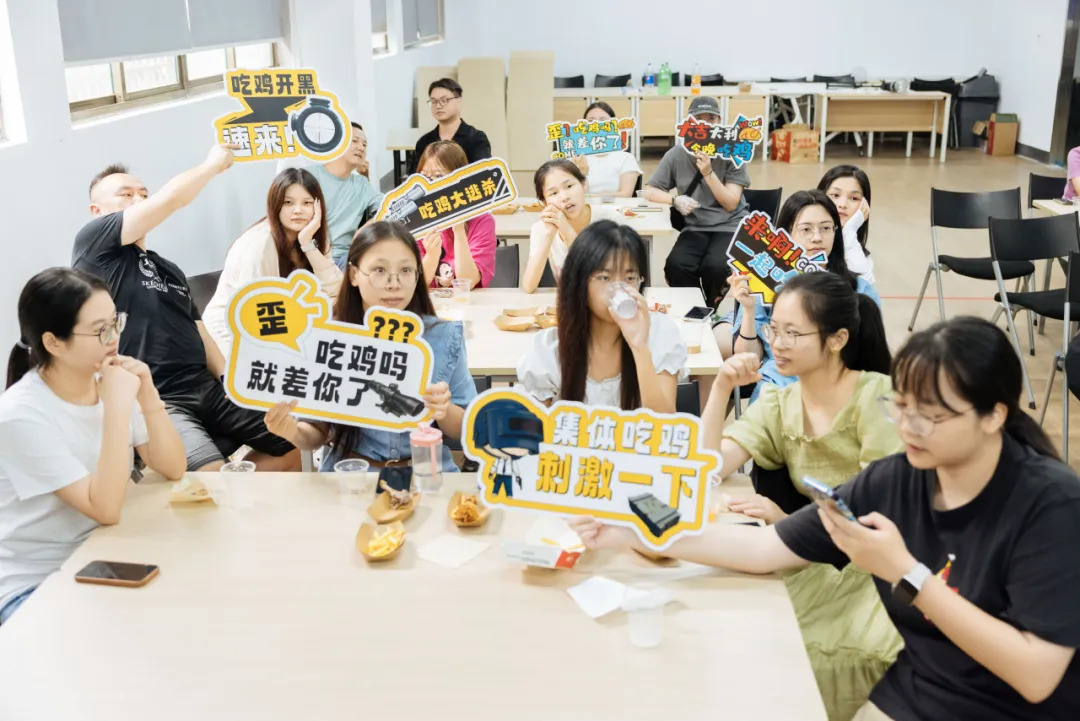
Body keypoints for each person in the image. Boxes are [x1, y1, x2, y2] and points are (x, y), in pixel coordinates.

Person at [573, 316, 1080, 721]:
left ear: (994, 415)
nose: (908, 428)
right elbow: (765, 548)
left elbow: (1036, 675)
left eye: (930, 416)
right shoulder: (896, 478)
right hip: (918, 694)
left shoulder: (1050, 506)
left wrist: (906, 573)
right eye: (901, 408)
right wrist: (638, 532)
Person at [700, 272, 901, 721]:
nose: (778, 343)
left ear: (837, 339)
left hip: (876, 571)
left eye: (793, 333)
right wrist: (720, 388)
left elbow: (877, 510)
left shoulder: (876, 396)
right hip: (813, 558)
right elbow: (707, 469)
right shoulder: (779, 403)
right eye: (774, 329)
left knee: (803, 656)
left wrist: (783, 519)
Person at [72, 146, 298, 472]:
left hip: (205, 386)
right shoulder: (93, 245)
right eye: (126, 194)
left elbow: (200, 332)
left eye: (144, 193)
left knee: (294, 441)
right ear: (97, 210)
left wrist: (230, 381)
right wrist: (211, 166)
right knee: (210, 474)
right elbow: (169, 200)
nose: (140, 199)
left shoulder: (169, 269)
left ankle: (238, 488)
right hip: (157, 398)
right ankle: (227, 489)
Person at [0, 268, 186, 624]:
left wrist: (148, 394)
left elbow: (173, 466)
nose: (114, 337)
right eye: (101, 330)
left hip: (105, 554)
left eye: (116, 322)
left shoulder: (109, 378)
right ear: (54, 342)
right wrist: (116, 407)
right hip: (35, 582)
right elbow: (104, 508)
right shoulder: (20, 415)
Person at [263, 221, 477, 471]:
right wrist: (290, 430)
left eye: (406, 270)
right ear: (354, 274)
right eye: (379, 270)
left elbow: (467, 427)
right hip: (351, 474)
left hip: (426, 472)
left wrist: (443, 408)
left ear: (418, 274)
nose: (394, 283)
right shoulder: (329, 338)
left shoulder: (443, 335)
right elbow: (315, 433)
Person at [715, 190, 881, 401]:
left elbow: (871, 355)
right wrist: (748, 310)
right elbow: (749, 358)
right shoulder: (765, 285)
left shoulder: (861, 289)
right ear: (786, 235)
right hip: (780, 385)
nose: (817, 237)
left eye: (826, 228)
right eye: (806, 229)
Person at [517, 221, 685, 412]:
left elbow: (665, 422)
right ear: (580, 281)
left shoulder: (659, 333)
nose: (619, 289)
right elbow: (531, 425)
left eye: (630, 278)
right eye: (605, 277)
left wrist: (640, 349)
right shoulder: (550, 348)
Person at [203, 167, 343, 357]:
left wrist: (307, 245)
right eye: (288, 202)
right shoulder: (260, 244)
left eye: (307, 203)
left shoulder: (312, 236)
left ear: (318, 206)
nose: (298, 210)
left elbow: (336, 291)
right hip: (232, 335)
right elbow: (253, 313)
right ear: (275, 204)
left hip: (282, 324)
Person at [643, 95, 750, 305]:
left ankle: (709, 308)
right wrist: (675, 200)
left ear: (720, 122)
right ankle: (694, 308)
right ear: (688, 124)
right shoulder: (677, 154)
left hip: (730, 225)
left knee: (716, 267)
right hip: (695, 226)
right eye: (698, 119)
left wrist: (708, 173)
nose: (705, 125)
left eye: (711, 119)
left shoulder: (734, 153)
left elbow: (731, 203)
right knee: (676, 266)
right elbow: (650, 190)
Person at [521, 159, 622, 293]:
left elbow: (599, 280)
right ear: (545, 202)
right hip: (569, 302)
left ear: (584, 185)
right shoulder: (542, 229)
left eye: (569, 186)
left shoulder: (610, 220)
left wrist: (567, 231)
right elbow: (529, 286)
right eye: (553, 193)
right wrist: (548, 235)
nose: (564, 197)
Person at [415, 140, 497, 290]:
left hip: (469, 302)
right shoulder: (418, 222)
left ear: (460, 180)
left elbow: (468, 282)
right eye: (424, 177)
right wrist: (432, 256)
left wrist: (459, 231)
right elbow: (414, 285)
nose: (429, 184)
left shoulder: (482, 221)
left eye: (438, 176)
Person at [306, 122, 384, 269]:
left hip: (345, 258)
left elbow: (390, 207)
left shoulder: (361, 184)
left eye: (364, 144)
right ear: (337, 142)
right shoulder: (309, 176)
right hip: (310, 255)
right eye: (354, 141)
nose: (361, 147)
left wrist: (368, 226)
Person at [412, 78, 491, 173]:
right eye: (433, 102)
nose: (438, 106)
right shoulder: (424, 142)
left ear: (459, 101)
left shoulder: (476, 139)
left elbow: (482, 175)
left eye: (444, 100)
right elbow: (415, 177)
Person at [569, 101, 641, 198]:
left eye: (603, 121)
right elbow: (573, 195)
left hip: (617, 207)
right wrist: (582, 174)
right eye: (590, 121)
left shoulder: (626, 158)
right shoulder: (575, 158)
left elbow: (625, 194)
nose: (596, 125)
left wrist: (592, 197)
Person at [818, 164, 874, 283]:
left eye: (854, 198)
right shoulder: (805, 239)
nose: (842, 204)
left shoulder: (859, 254)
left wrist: (849, 231)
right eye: (835, 195)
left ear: (864, 206)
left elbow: (863, 287)